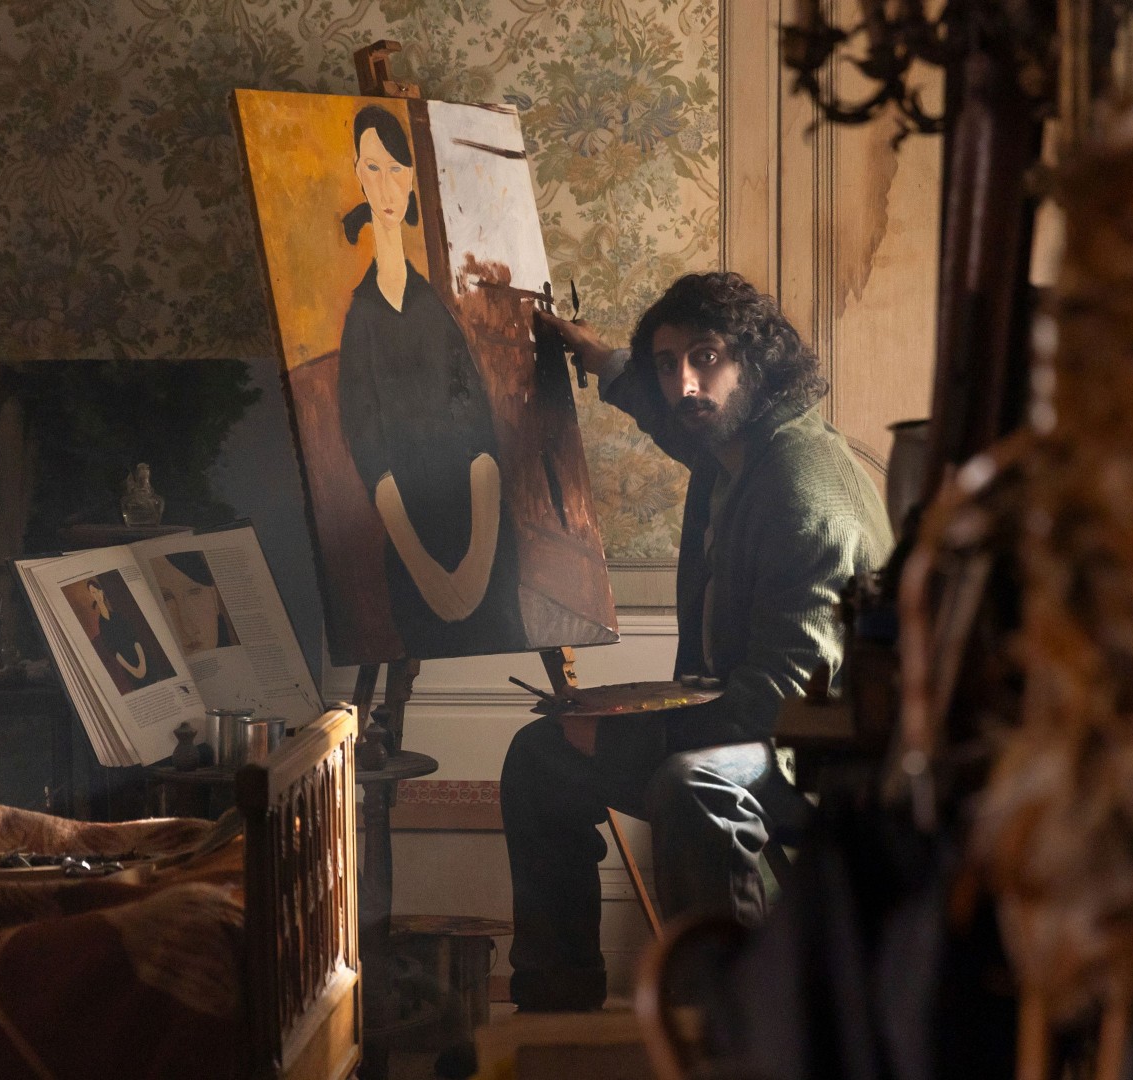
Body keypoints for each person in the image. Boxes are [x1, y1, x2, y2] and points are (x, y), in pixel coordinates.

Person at [502, 271, 894, 1010]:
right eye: (667, 363)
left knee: (693, 787)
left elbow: (776, 708)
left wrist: (617, 736)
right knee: (542, 758)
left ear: (756, 362)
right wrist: (597, 356)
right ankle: (553, 1013)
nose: (684, 385)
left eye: (705, 357)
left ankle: (729, 1027)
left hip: (824, 756)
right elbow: (667, 411)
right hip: (756, 723)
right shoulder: (736, 446)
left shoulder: (803, 492)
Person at [335, 104, 527, 659]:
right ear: (358, 176)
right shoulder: (361, 321)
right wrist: (428, 574)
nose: (386, 185)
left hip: (481, 534)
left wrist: (477, 565)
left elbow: (481, 440)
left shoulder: (435, 309)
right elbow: (372, 458)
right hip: (411, 547)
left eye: (397, 169)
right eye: (374, 168)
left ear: (412, 179)